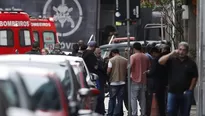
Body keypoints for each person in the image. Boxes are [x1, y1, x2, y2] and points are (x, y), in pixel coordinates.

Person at [158, 42, 198, 116]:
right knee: (170, 111)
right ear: (177, 50)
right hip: (172, 91)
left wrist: (190, 90)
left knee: (185, 112)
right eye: (180, 49)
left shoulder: (191, 63)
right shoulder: (172, 60)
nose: (181, 52)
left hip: (185, 92)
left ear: (187, 51)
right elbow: (160, 61)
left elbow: (194, 77)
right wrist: (171, 53)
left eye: (183, 50)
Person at [130, 42, 150, 116]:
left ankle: (134, 114)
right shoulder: (146, 57)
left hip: (134, 80)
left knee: (133, 98)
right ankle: (143, 113)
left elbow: (129, 67)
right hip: (144, 80)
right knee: (143, 99)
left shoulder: (133, 57)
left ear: (134, 48)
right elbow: (148, 67)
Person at [107, 49, 127, 116]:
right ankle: (117, 113)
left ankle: (110, 113)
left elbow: (108, 71)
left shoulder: (111, 60)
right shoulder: (125, 60)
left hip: (113, 82)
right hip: (122, 82)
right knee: (120, 99)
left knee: (112, 99)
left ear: (113, 53)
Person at [94, 47, 107, 115]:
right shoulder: (95, 61)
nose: (100, 54)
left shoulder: (101, 59)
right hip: (97, 80)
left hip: (101, 81)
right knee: (99, 97)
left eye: (100, 53)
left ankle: (101, 110)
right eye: (98, 53)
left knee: (101, 97)